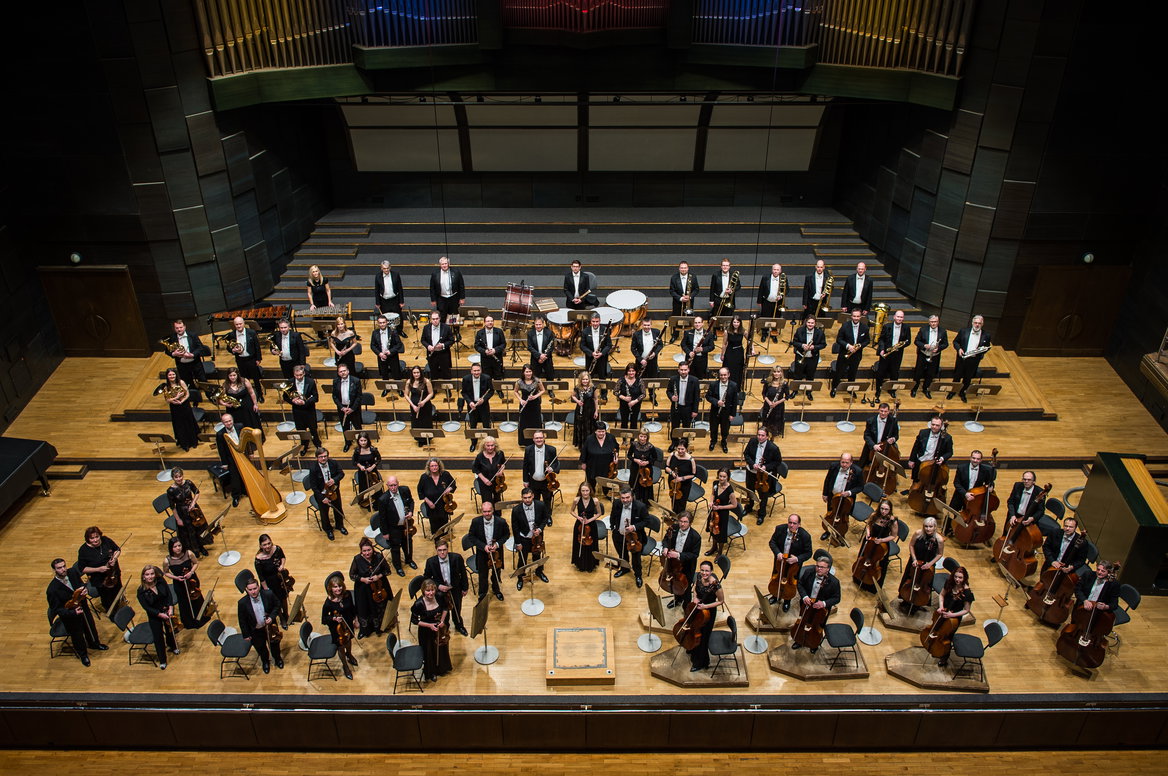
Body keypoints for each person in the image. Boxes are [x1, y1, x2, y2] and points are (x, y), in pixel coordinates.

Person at [47, 557, 107, 666]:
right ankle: (83, 655)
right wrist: (73, 613)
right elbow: (58, 609)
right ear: (54, 570)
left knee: (90, 626)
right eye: (59, 568)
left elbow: (81, 584)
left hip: (82, 606)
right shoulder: (52, 589)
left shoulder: (72, 572)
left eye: (64, 566)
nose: (63, 569)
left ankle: (94, 643)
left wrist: (85, 589)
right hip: (71, 615)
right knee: (77, 635)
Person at [792, 555, 841, 653]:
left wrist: (823, 603)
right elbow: (800, 584)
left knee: (817, 627)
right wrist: (805, 596)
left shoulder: (834, 582)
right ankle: (799, 640)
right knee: (803, 622)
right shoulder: (809, 573)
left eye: (822, 567)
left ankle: (813, 644)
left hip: (821, 611)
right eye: (817, 566)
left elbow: (837, 598)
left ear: (828, 569)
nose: (818, 569)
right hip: (806, 605)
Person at [767, 514, 813, 611]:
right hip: (780, 562)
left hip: (794, 565)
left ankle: (787, 600)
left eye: (794, 523)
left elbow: (808, 553)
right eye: (790, 522)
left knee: (790, 582)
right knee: (777, 578)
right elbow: (772, 542)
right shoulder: (780, 529)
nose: (791, 525)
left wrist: (797, 559)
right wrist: (778, 553)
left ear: (799, 525)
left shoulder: (805, 536)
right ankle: (775, 595)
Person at [686, 560, 725, 673]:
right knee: (694, 630)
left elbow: (721, 601)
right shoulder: (699, 576)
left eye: (707, 571)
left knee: (703, 638)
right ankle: (692, 648)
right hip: (698, 609)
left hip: (708, 613)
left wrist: (706, 606)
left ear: (711, 571)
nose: (704, 573)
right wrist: (695, 598)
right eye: (702, 570)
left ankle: (701, 662)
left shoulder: (716, 585)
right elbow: (694, 588)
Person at [237, 576, 283, 673]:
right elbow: (242, 620)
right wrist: (246, 634)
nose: (253, 592)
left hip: (270, 627)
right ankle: (265, 661)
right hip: (255, 630)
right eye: (250, 590)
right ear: (246, 589)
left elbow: (277, 605)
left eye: (255, 588)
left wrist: (271, 617)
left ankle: (278, 659)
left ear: (258, 587)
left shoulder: (268, 594)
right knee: (261, 647)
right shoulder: (242, 603)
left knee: (274, 644)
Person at [137, 565, 179, 669]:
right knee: (158, 637)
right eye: (147, 574)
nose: (150, 576)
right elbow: (146, 607)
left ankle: (173, 646)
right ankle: (162, 660)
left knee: (170, 630)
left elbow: (168, 594)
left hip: (166, 610)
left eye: (152, 574)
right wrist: (159, 614)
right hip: (154, 615)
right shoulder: (141, 591)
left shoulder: (160, 581)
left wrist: (170, 608)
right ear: (143, 577)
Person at [853, 499, 900, 592]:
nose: (883, 511)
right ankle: (858, 578)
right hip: (870, 541)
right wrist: (868, 533)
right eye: (882, 508)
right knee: (863, 559)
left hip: (881, 545)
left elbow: (893, 536)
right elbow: (868, 524)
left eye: (886, 509)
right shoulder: (874, 515)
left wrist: (882, 540)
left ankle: (872, 586)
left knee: (877, 565)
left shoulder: (893, 521)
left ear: (890, 510)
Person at [424, 541, 470, 636]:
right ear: (436, 550)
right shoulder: (430, 562)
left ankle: (459, 625)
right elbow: (427, 578)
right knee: (443, 611)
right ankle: (445, 627)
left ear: (447, 549)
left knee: (457, 608)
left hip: (455, 588)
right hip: (440, 592)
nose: (442, 552)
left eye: (444, 550)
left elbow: (463, 573)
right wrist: (438, 586)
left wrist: (465, 588)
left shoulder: (457, 558)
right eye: (439, 550)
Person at [931, 566, 974, 667]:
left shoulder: (967, 592)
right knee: (936, 630)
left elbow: (966, 610)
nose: (957, 580)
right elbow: (941, 595)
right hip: (943, 611)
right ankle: (935, 648)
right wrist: (941, 607)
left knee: (947, 637)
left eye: (960, 578)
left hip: (953, 618)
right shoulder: (950, 583)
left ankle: (944, 657)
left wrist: (951, 615)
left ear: (965, 578)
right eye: (956, 577)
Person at [899, 517, 944, 614]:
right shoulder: (918, 533)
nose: (928, 529)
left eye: (930, 527)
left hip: (928, 565)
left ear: (935, 527)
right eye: (926, 526)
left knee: (924, 584)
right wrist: (914, 559)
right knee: (909, 580)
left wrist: (930, 564)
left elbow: (940, 554)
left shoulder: (939, 539)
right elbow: (911, 545)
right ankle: (905, 599)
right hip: (915, 562)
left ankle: (918, 603)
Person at [411, 579, 452, 681]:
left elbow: (445, 608)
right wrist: (429, 625)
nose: (431, 593)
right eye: (428, 591)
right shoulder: (419, 604)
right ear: (423, 591)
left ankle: (442, 669)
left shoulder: (439, 596)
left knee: (441, 649)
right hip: (426, 632)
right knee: (429, 652)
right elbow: (414, 621)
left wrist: (442, 621)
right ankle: (431, 672)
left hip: (439, 629)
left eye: (432, 590)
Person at [349, 537, 391, 638]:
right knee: (364, 608)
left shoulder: (378, 557)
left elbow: (387, 571)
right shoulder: (357, 559)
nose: (367, 553)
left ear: (372, 549)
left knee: (379, 608)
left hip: (379, 587)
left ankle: (379, 628)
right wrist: (363, 579)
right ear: (361, 551)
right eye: (364, 551)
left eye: (369, 550)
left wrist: (378, 576)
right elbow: (352, 575)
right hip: (363, 589)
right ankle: (365, 630)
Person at [163, 538, 209, 629]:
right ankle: (189, 621)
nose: (178, 548)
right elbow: (166, 572)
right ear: (171, 548)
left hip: (192, 581)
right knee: (184, 602)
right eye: (175, 546)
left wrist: (191, 572)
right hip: (179, 583)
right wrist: (176, 577)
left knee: (196, 598)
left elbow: (195, 563)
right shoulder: (167, 560)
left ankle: (202, 617)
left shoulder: (189, 553)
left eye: (179, 546)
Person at [510, 487, 551, 591]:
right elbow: (515, 528)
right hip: (524, 538)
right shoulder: (516, 510)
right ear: (522, 498)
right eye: (525, 498)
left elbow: (545, 518)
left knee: (537, 556)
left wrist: (540, 529)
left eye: (529, 497)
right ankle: (520, 577)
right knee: (522, 559)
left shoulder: (540, 505)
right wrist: (517, 542)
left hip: (537, 537)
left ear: (532, 496)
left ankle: (539, 571)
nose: (527, 500)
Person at [609, 487, 649, 589]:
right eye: (623, 498)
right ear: (620, 497)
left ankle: (638, 575)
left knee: (636, 558)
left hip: (634, 537)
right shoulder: (617, 503)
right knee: (622, 554)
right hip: (619, 534)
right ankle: (625, 568)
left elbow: (646, 521)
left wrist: (634, 527)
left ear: (632, 496)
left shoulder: (641, 506)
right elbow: (613, 516)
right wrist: (613, 526)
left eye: (627, 497)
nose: (625, 500)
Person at [469, 501, 510, 601]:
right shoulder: (475, 521)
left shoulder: (501, 522)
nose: (487, 514)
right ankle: (482, 593)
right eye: (484, 511)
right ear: (481, 511)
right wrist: (483, 546)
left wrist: (497, 544)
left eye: (489, 511)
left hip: (497, 552)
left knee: (497, 572)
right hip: (482, 552)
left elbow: (506, 535)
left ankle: (496, 590)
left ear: (493, 510)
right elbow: (471, 537)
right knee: (483, 574)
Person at [375, 475, 415, 576]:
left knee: (408, 542)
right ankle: (398, 567)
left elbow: (411, 502)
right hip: (393, 528)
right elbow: (382, 518)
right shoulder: (383, 499)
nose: (393, 488)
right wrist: (385, 533)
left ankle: (409, 560)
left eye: (395, 485)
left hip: (406, 525)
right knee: (395, 548)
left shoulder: (404, 490)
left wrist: (410, 512)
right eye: (391, 486)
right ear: (387, 486)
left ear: (398, 484)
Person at [77, 526, 123, 613]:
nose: (95, 540)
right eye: (92, 538)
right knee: (108, 599)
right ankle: (112, 614)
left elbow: (117, 549)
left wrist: (115, 558)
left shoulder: (105, 540)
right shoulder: (84, 550)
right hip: (101, 580)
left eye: (97, 537)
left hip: (114, 574)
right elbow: (82, 568)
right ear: (87, 539)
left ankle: (119, 607)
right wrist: (98, 569)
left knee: (118, 591)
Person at [743, 427, 782, 525]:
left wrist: (765, 467)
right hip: (751, 472)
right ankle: (749, 507)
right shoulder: (752, 441)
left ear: (767, 436)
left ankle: (761, 514)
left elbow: (777, 462)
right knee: (750, 491)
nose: (760, 437)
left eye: (762, 435)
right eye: (758, 435)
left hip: (764, 476)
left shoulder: (773, 448)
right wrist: (752, 464)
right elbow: (746, 454)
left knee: (763, 495)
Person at [661, 511, 701, 608]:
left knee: (685, 587)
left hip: (687, 565)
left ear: (690, 523)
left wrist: (678, 555)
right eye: (680, 521)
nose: (682, 524)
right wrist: (665, 547)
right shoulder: (674, 528)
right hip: (673, 564)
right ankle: (677, 600)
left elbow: (694, 555)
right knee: (675, 582)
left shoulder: (695, 537)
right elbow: (666, 539)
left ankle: (686, 605)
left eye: (685, 522)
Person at [166, 467, 208, 558]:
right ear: (173, 478)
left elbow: (197, 492)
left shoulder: (188, 482)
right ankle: (195, 550)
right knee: (189, 533)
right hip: (182, 513)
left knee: (199, 528)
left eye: (180, 476)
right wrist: (178, 519)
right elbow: (173, 507)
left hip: (194, 510)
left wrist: (193, 503)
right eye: (176, 477)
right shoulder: (171, 490)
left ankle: (201, 547)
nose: (179, 479)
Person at [322, 575, 359, 679]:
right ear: (330, 589)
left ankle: (350, 654)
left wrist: (356, 620)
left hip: (348, 624)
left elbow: (352, 608)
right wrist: (334, 619)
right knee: (341, 646)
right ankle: (345, 666)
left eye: (339, 586)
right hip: (336, 629)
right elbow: (324, 619)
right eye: (335, 587)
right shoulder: (328, 603)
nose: (338, 589)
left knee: (349, 639)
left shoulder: (347, 595)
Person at [166, 319, 211, 402]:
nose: (179, 329)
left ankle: (210, 397)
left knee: (203, 380)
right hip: (182, 365)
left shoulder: (192, 335)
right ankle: (195, 399)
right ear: (174, 328)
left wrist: (192, 354)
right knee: (188, 383)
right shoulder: (172, 337)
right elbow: (167, 351)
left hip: (195, 363)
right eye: (177, 328)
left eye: (181, 327)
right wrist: (173, 354)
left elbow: (200, 348)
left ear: (184, 327)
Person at [820, 453, 862, 540]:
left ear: (851, 462)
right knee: (830, 514)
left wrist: (849, 492)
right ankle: (828, 531)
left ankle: (841, 535)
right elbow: (827, 480)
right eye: (842, 462)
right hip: (833, 497)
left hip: (846, 500)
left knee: (843, 518)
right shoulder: (834, 466)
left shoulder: (857, 471)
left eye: (847, 463)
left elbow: (860, 487)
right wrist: (825, 493)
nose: (844, 465)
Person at [307, 447, 346, 540]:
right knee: (324, 513)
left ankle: (340, 525)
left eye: (325, 456)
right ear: (317, 458)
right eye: (321, 457)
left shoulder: (333, 463)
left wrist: (334, 480)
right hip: (322, 494)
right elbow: (314, 487)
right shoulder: (313, 469)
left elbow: (341, 474)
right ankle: (328, 529)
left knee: (338, 508)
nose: (323, 458)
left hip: (333, 491)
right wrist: (322, 498)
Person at [829, 308, 870, 397]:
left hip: (857, 354)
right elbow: (839, 339)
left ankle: (850, 389)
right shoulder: (845, 326)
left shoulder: (865, 327)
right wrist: (848, 346)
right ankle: (834, 388)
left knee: (853, 372)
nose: (856, 318)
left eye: (858, 316)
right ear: (851, 316)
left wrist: (859, 346)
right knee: (839, 372)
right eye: (854, 316)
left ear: (860, 317)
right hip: (844, 353)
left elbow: (867, 340)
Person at [951, 315, 992, 402]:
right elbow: (955, 342)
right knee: (957, 376)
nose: (977, 325)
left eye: (979, 323)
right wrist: (959, 349)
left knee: (967, 378)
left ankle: (962, 393)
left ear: (982, 324)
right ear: (972, 323)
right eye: (976, 323)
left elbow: (987, 347)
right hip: (962, 358)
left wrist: (982, 351)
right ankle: (952, 392)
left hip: (974, 360)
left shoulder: (986, 335)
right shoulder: (963, 331)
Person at [253, 534, 291, 628]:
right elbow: (261, 577)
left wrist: (282, 565)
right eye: (264, 544)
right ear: (261, 546)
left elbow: (283, 557)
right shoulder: (258, 560)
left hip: (279, 579)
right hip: (269, 583)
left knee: (284, 598)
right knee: (276, 602)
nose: (267, 546)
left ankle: (286, 615)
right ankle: (282, 618)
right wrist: (267, 590)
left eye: (269, 543)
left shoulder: (277, 549)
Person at [873, 309, 911, 401]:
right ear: (894, 317)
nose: (899, 318)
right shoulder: (887, 326)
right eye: (898, 316)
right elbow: (881, 339)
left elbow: (908, 341)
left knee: (895, 373)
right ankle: (878, 389)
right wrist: (882, 349)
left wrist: (900, 346)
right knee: (880, 372)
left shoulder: (906, 327)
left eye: (901, 317)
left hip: (897, 354)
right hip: (886, 352)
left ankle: (892, 390)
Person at [159, 368, 199, 451]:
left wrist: (182, 401)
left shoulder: (181, 382)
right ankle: (184, 443)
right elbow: (167, 399)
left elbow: (187, 394)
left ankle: (193, 442)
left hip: (184, 405)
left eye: (173, 374)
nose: (172, 376)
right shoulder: (166, 386)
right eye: (170, 375)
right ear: (167, 376)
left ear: (176, 375)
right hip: (174, 407)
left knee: (188, 422)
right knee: (179, 425)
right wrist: (175, 399)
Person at [522, 429, 560, 514]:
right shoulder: (528, 449)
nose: (539, 440)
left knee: (547, 500)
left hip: (547, 481)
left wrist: (552, 469)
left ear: (544, 438)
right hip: (533, 481)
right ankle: (537, 517)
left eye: (540, 438)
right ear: (533, 439)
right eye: (537, 438)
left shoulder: (551, 450)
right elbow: (525, 466)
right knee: (535, 501)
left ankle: (547, 517)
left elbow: (556, 463)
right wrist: (525, 480)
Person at [906, 416, 953, 483]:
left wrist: (942, 458)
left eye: (937, 425)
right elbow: (916, 447)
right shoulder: (923, 433)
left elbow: (949, 452)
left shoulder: (947, 438)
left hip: (933, 464)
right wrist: (911, 460)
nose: (934, 427)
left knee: (932, 481)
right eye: (933, 424)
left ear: (941, 426)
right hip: (921, 460)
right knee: (916, 480)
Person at [910, 314, 947, 399]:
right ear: (929, 322)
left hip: (935, 356)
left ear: (938, 322)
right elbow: (916, 341)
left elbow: (945, 344)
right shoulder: (923, 330)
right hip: (923, 354)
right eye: (932, 322)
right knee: (918, 373)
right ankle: (914, 388)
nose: (934, 323)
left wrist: (938, 348)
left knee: (931, 373)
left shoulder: (943, 331)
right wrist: (924, 345)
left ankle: (926, 389)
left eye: (935, 322)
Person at [417, 457, 457, 535]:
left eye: (436, 465)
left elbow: (453, 484)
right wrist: (428, 502)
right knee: (434, 527)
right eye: (432, 466)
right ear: (429, 467)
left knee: (444, 525)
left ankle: (444, 539)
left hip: (444, 505)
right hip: (432, 506)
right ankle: (437, 541)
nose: (434, 467)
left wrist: (449, 489)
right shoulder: (424, 477)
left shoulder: (445, 474)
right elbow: (420, 491)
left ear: (439, 466)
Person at [461, 362, 495, 452]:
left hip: (483, 405)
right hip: (472, 406)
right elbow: (463, 392)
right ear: (471, 371)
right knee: (473, 425)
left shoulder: (487, 378)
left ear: (481, 370)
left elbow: (491, 391)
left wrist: (484, 400)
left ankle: (488, 444)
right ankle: (473, 442)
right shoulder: (466, 379)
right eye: (474, 371)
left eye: (478, 370)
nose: (476, 372)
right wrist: (470, 402)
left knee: (486, 425)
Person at [226, 316, 264, 397]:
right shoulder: (232, 334)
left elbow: (257, 346)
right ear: (234, 325)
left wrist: (258, 358)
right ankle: (247, 395)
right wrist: (233, 350)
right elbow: (228, 347)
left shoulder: (251, 332)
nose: (239, 326)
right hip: (240, 360)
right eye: (237, 324)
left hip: (251, 359)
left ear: (244, 323)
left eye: (240, 324)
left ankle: (260, 395)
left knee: (256, 378)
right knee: (244, 379)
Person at [790, 316, 826, 399]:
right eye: (809, 322)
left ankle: (809, 392)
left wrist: (814, 347)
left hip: (812, 358)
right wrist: (802, 345)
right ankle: (795, 390)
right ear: (806, 322)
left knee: (810, 375)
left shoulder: (820, 333)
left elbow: (823, 344)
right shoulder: (800, 330)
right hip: (801, 355)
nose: (810, 324)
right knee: (797, 375)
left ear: (815, 323)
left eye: (812, 323)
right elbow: (794, 342)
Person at [705, 366, 739, 453]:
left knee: (725, 429)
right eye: (721, 375)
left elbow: (735, 401)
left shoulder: (733, 385)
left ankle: (724, 442)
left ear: (728, 375)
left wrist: (732, 414)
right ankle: (713, 441)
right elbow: (708, 396)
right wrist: (716, 402)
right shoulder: (713, 385)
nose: (723, 377)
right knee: (713, 428)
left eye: (725, 375)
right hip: (715, 410)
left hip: (726, 411)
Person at [287, 363, 320, 451]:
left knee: (313, 429)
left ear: (304, 373)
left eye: (301, 375)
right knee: (301, 430)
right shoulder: (290, 382)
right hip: (297, 410)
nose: (299, 377)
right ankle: (304, 446)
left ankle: (317, 444)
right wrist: (293, 401)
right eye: (297, 375)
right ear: (294, 374)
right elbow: (285, 397)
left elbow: (316, 398)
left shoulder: (311, 382)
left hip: (309, 409)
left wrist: (305, 402)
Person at [571, 482, 602, 572]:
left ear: (590, 491)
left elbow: (599, 513)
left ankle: (590, 564)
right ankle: (580, 563)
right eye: (583, 491)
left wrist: (590, 520)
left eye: (587, 491)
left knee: (591, 544)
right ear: (580, 491)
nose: (585, 493)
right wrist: (578, 517)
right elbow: (571, 511)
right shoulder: (576, 499)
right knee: (579, 543)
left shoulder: (595, 500)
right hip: (580, 524)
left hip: (591, 525)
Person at [218, 366, 261, 431]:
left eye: (234, 375)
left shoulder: (244, 381)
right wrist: (225, 404)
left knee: (250, 424)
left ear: (237, 375)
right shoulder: (225, 385)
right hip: (234, 410)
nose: (232, 377)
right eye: (230, 376)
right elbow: (220, 398)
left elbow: (252, 392)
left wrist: (255, 404)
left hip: (247, 406)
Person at [706, 467, 737, 558]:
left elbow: (734, 505)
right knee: (712, 529)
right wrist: (711, 501)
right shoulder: (715, 484)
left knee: (721, 534)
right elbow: (712, 494)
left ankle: (719, 552)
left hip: (722, 514)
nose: (721, 478)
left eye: (724, 477)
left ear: (728, 477)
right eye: (720, 476)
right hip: (713, 511)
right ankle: (714, 547)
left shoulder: (730, 490)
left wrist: (720, 507)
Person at [579, 422, 619, 491]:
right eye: (599, 431)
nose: (601, 433)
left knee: (607, 481)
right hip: (593, 465)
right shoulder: (589, 439)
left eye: (603, 431)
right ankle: (592, 493)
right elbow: (584, 451)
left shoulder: (611, 438)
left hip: (607, 466)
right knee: (591, 482)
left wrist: (616, 456)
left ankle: (606, 492)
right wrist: (583, 463)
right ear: (595, 431)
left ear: (605, 431)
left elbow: (616, 448)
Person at [331, 364, 363, 448]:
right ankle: (347, 443)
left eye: (344, 371)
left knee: (358, 427)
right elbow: (334, 396)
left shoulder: (356, 380)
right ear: (338, 373)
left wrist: (352, 408)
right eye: (340, 371)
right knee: (345, 427)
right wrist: (341, 407)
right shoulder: (335, 381)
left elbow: (359, 396)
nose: (343, 373)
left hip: (353, 408)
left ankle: (361, 443)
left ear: (348, 371)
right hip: (342, 409)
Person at [514, 365, 546, 449]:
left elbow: (543, 390)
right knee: (524, 422)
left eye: (530, 371)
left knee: (535, 422)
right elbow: (515, 391)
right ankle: (524, 442)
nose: (528, 373)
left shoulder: (537, 381)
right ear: (523, 372)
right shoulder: (519, 382)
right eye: (527, 372)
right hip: (524, 403)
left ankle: (537, 441)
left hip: (535, 404)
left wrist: (535, 396)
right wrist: (520, 400)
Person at [859, 401, 900, 468]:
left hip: (885, 446)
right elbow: (866, 435)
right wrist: (873, 445)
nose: (883, 413)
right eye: (881, 411)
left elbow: (896, 435)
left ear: (889, 411)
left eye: (885, 411)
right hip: (873, 445)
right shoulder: (871, 421)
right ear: (878, 410)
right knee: (862, 464)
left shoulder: (893, 421)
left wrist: (893, 439)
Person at [472, 436, 507, 512]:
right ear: (484, 446)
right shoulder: (480, 456)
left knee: (497, 499)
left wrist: (501, 471)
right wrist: (484, 480)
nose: (490, 448)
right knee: (487, 501)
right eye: (488, 446)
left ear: (495, 445)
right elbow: (475, 469)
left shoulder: (500, 453)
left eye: (492, 445)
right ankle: (488, 516)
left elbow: (503, 464)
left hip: (497, 482)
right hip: (485, 483)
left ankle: (497, 515)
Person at [370, 314, 405, 385]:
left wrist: (390, 351)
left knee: (396, 373)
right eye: (380, 323)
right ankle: (386, 388)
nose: (382, 324)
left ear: (386, 322)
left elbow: (399, 344)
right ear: (377, 323)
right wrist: (379, 354)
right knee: (384, 373)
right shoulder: (375, 333)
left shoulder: (393, 331)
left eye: (383, 322)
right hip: (381, 356)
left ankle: (399, 389)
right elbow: (372, 345)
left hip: (392, 356)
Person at [270, 317, 309, 382]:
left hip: (295, 362)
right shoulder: (276, 335)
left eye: (285, 327)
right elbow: (272, 345)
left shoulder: (296, 335)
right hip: (284, 363)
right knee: (287, 379)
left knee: (298, 379)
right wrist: (273, 351)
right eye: (281, 328)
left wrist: (302, 363)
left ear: (289, 327)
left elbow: (301, 350)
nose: (283, 329)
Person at [626, 429, 659, 504]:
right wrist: (636, 460)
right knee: (635, 482)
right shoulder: (634, 445)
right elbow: (629, 455)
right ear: (638, 436)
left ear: (647, 437)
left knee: (646, 484)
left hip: (647, 469)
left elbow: (655, 458)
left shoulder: (651, 447)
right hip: (635, 467)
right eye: (641, 436)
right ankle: (634, 501)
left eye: (644, 437)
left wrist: (647, 462)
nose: (642, 439)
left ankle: (645, 502)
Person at [719, 313, 752, 388]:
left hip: (739, 352)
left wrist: (752, 348)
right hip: (730, 352)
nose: (736, 324)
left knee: (738, 370)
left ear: (740, 323)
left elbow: (750, 340)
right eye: (734, 322)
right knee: (729, 369)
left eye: (737, 322)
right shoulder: (727, 331)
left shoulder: (743, 331)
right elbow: (724, 344)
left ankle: (736, 388)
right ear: (732, 323)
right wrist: (722, 354)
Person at [664, 439, 697, 516]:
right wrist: (672, 472)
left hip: (684, 484)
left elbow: (693, 474)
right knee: (673, 498)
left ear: (686, 449)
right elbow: (666, 467)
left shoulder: (690, 460)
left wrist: (681, 478)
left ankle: (681, 516)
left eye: (682, 449)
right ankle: (673, 513)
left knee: (681, 501)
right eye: (678, 448)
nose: (680, 451)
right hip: (672, 481)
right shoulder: (672, 455)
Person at [429, 256, 465, 322]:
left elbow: (461, 285)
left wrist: (462, 298)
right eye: (442, 264)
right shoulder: (435, 274)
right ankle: (443, 331)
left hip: (453, 297)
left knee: (454, 315)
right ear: (440, 265)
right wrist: (433, 299)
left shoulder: (456, 272)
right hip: (441, 298)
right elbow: (432, 287)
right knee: (442, 315)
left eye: (446, 263)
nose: (444, 265)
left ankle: (455, 331)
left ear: (448, 264)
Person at [630, 318, 663, 390]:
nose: (646, 327)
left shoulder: (656, 332)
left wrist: (655, 353)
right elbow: (633, 349)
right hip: (641, 362)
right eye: (644, 325)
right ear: (642, 325)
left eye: (648, 325)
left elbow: (660, 345)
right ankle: (640, 394)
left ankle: (652, 395)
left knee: (652, 379)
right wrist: (640, 359)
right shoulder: (636, 334)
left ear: (651, 324)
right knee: (640, 379)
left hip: (652, 361)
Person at [406, 365, 435, 445]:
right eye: (414, 373)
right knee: (416, 423)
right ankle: (419, 439)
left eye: (418, 372)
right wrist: (413, 405)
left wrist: (423, 402)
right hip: (414, 407)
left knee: (426, 422)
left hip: (425, 406)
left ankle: (427, 439)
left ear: (420, 373)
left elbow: (431, 393)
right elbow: (406, 395)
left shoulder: (426, 381)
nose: (416, 374)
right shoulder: (409, 382)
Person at [420, 310, 455, 379]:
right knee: (433, 374)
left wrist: (443, 345)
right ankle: (434, 389)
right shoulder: (426, 328)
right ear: (430, 319)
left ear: (440, 318)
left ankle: (447, 388)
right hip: (432, 354)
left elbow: (452, 340)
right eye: (433, 319)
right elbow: (423, 340)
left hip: (443, 354)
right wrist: (428, 346)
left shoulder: (446, 327)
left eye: (437, 319)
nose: (435, 321)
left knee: (446, 373)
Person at [668, 361, 700, 433]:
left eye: (685, 370)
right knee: (674, 427)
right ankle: (674, 442)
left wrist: (695, 410)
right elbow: (668, 391)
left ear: (688, 370)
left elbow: (696, 397)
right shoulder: (673, 379)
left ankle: (684, 443)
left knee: (686, 427)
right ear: (678, 370)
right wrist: (671, 397)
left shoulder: (695, 380)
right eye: (681, 370)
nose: (683, 372)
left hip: (688, 408)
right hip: (676, 407)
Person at [351, 432, 382, 508]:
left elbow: (378, 459)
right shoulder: (357, 451)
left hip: (372, 472)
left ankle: (377, 503)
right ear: (358, 441)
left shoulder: (373, 449)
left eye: (365, 440)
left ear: (368, 440)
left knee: (376, 487)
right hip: (362, 473)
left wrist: (372, 467)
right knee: (363, 488)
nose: (363, 442)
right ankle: (365, 502)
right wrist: (360, 466)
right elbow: (354, 461)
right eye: (361, 440)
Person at [571, 371, 600, 449]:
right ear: (580, 380)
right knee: (581, 427)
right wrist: (577, 401)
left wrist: (596, 411)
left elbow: (596, 399)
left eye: (586, 379)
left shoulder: (593, 388)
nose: (585, 381)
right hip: (581, 410)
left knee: (590, 427)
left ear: (589, 379)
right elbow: (573, 396)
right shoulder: (577, 387)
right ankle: (582, 446)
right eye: (583, 379)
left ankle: (590, 445)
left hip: (591, 410)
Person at [580, 313, 613, 380]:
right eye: (593, 321)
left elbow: (609, 345)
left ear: (600, 321)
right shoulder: (585, 331)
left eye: (597, 321)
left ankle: (603, 390)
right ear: (590, 321)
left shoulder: (605, 330)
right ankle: (590, 390)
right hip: (590, 358)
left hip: (602, 358)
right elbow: (582, 345)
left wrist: (602, 353)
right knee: (589, 377)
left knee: (602, 377)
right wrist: (591, 353)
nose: (595, 323)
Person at [759, 366, 789, 437]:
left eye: (778, 372)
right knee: (767, 420)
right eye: (775, 372)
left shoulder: (784, 384)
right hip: (768, 405)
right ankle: (765, 435)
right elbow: (764, 394)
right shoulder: (768, 382)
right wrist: (769, 402)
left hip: (778, 407)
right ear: (772, 373)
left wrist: (776, 403)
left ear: (781, 373)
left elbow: (787, 396)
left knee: (775, 422)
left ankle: (773, 435)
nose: (776, 373)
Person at [474, 315, 507, 380]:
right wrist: (484, 351)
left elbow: (503, 344)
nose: (490, 322)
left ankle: (498, 390)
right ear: (484, 322)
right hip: (485, 360)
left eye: (491, 321)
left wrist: (495, 350)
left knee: (498, 376)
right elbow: (476, 346)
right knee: (486, 378)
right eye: (488, 321)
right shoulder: (480, 333)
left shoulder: (499, 331)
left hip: (497, 358)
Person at [668, 260, 700, 327]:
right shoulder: (674, 278)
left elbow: (696, 289)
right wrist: (680, 298)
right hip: (678, 302)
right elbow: (672, 291)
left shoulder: (693, 277)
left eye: (685, 268)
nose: (683, 269)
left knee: (689, 319)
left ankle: (688, 334)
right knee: (676, 319)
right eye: (682, 268)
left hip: (689, 302)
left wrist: (690, 297)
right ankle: (675, 335)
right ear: (679, 268)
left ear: (688, 268)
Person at [615, 363, 645, 429]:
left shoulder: (640, 381)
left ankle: (632, 439)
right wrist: (624, 398)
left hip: (635, 405)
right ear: (626, 371)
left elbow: (643, 394)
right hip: (624, 404)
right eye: (629, 371)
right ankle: (624, 439)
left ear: (636, 372)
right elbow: (615, 392)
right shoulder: (621, 380)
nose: (631, 373)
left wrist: (634, 401)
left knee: (634, 423)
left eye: (633, 371)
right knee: (624, 423)